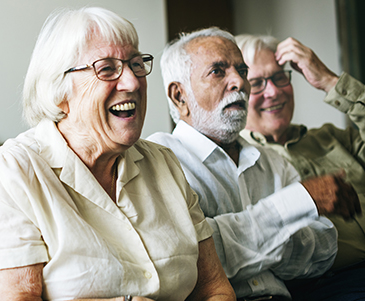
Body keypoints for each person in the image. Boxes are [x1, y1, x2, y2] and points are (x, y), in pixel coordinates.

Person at [0, 7, 235, 301]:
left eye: (137, 64)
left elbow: (214, 289)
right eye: (106, 68)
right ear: (59, 91)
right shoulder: (12, 173)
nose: (131, 82)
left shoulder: (164, 163)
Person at [147, 27, 361, 301]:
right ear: (180, 96)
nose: (240, 82)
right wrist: (294, 206)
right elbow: (190, 260)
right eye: (218, 71)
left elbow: (323, 249)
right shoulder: (161, 159)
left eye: (242, 70)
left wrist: (232, 238)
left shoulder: (272, 162)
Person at [236, 34, 365, 300]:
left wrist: (330, 81)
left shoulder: (333, 138)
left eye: (279, 77)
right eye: (257, 83)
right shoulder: (239, 162)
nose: (273, 92)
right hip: (329, 286)